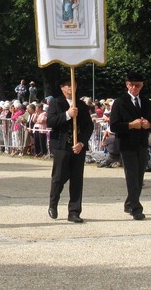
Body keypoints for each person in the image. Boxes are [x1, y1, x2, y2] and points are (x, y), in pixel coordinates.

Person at [46, 77, 94, 223]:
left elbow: (88, 127)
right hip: (62, 146)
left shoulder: (81, 105)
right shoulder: (56, 102)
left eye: (73, 85)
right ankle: (53, 204)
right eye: (67, 85)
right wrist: (68, 115)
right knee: (59, 177)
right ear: (62, 87)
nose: (70, 88)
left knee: (77, 179)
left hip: (77, 147)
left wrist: (82, 142)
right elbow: (51, 121)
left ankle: (74, 211)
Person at [110, 72, 151, 220]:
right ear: (127, 85)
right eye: (131, 85)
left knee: (139, 176)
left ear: (141, 86)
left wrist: (148, 124)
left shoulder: (146, 102)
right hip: (127, 144)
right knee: (131, 175)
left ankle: (130, 202)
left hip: (142, 143)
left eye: (137, 85)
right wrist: (131, 125)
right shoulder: (120, 102)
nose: (134, 88)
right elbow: (114, 126)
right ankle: (136, 207)